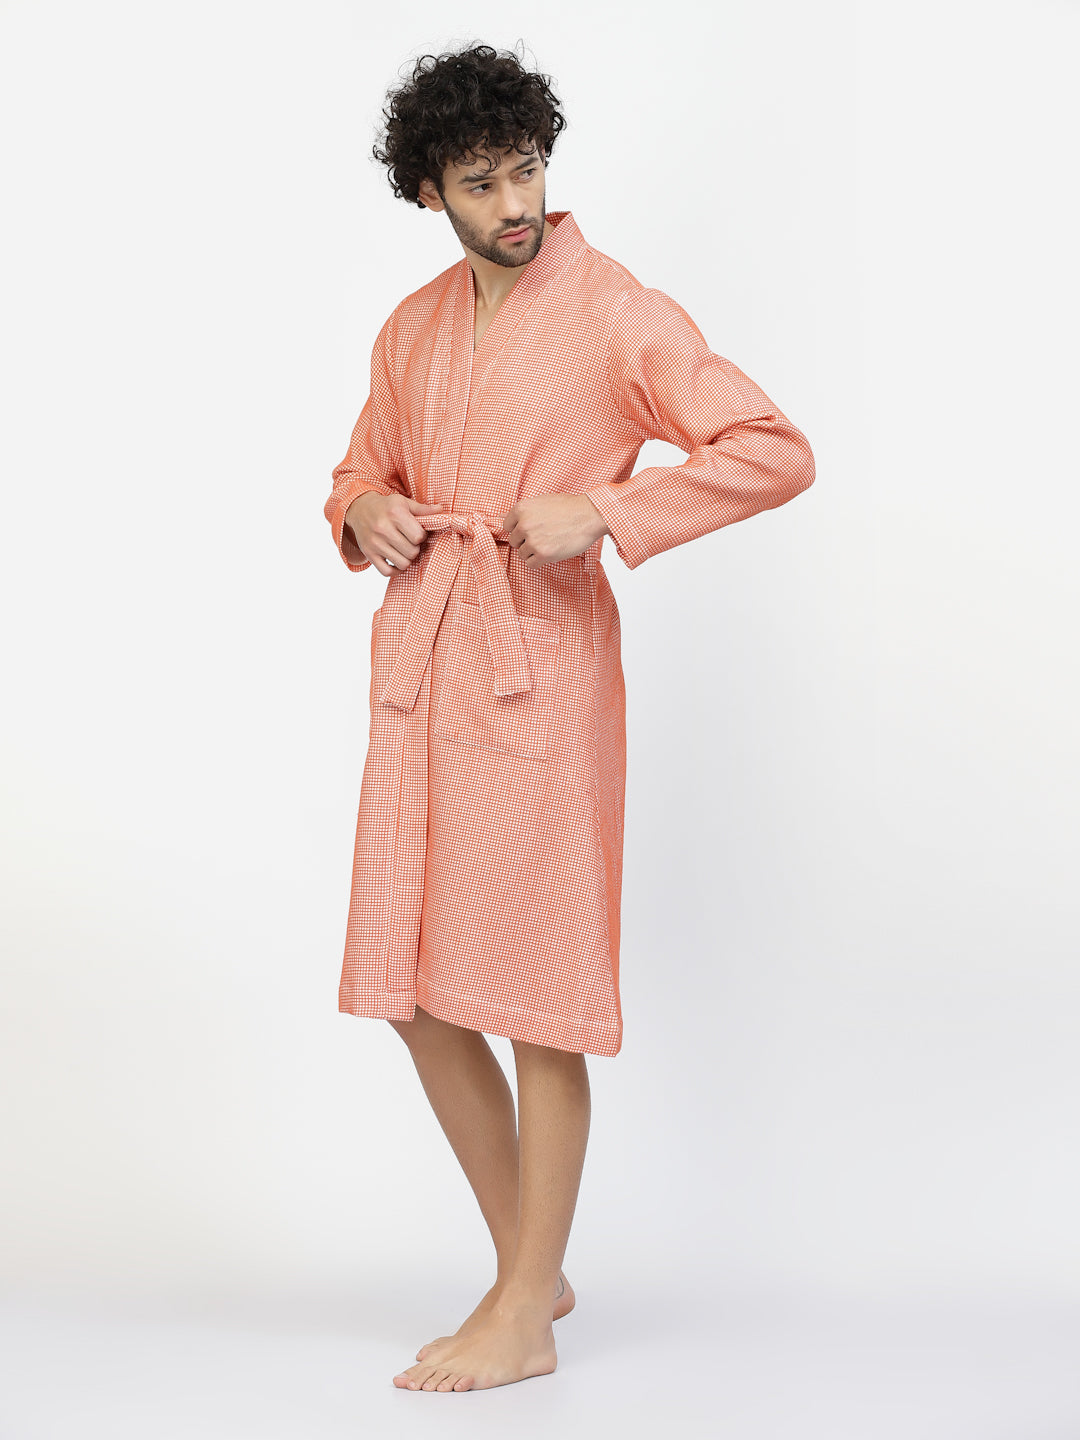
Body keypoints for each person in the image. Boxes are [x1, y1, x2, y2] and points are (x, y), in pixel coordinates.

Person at [323, 42, 815, 1393]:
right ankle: (529, 1269)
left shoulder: (615, 311)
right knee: (415, 987)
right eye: (482, 182)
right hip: (425, 666)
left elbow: (772, 448)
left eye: (527, 169)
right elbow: (362, 466)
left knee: (537, 997)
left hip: (540, 671)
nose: (515, 202)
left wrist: (605, 509)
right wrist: (363, 510)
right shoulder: (413, 325)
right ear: (431, 192)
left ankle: (524, 1314)